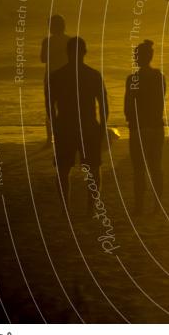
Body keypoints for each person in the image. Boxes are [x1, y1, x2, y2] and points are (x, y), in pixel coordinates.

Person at [48, 37, 108, 213]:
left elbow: (49, 104)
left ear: (67, 52)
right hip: (88, 126)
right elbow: (104, 104)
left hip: (65, 125)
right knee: (93, 168)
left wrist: (55, 125)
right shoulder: (93, 75)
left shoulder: (57, 75)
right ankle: (91, 207)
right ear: (85, 52)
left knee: (63, 169)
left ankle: (65, 207)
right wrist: (102, 128)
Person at [124, 40, 166, 215]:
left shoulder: (133, 78)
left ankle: (139, 206)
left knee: (139, 169)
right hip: (156, 126)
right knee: (156, 167)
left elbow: (128, 105)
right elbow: (160, 100)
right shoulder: (159, 76)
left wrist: (131, 120)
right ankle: (157, 205)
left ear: (139, 57)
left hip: (139, 127)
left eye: (136, 55)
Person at [40, 15, 70, 147]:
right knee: (65, 107)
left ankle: (50, 138)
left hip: (52, 77)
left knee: (50, 108)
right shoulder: (70, 40)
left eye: (50, 25)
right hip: (66, 78)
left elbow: (43, 59)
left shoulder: (47, 41)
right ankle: (63, 136)